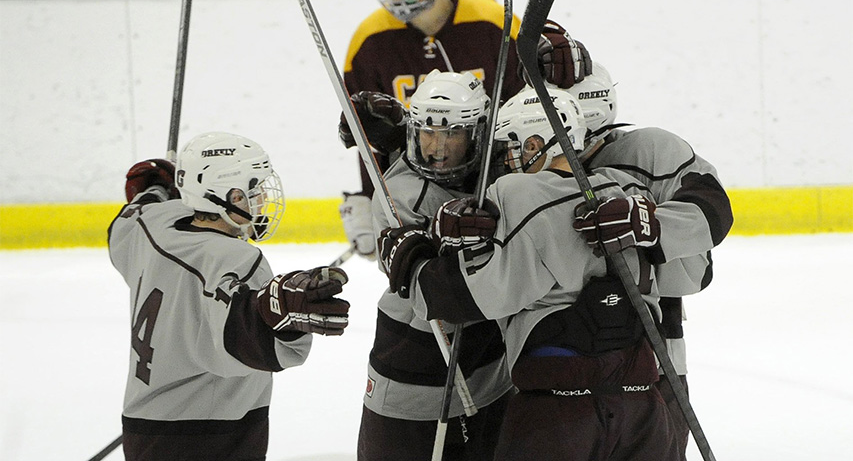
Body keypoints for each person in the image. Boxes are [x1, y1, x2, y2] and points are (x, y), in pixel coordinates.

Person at [378, 86, 680, 460]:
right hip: (645, 411)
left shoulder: (519, 192)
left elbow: (476, 298)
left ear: (534, 142)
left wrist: (415, 263)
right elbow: (690, 275)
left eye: (509, 148)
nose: (505, 162)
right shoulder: (627, 190)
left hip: (560, 414)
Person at [337, 0, 590, 260]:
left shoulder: (490, 23)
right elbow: (371, 138)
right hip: (421, 187)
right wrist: (372, 199)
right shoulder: (369, 40)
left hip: (498, 179)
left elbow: (537, 104)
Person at [108, 132, 350, 461]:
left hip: (145, 429)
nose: (263, 199)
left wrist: (154, 187)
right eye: (254, 190)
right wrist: (279, 313)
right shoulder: (237, 260)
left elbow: (125, 221)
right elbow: (245, 333)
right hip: (211, 435)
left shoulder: (150, 225)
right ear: (229, 196)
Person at [567, 62, 733, 458]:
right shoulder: (525, 161)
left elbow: (712, 214)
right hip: (552, 362)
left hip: (651, 357)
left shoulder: (650, 150)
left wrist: (651, 226)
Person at [358, 70, 515, 461]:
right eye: (427, 132)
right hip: (410, 378)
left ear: (479, 132)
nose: (436, 147)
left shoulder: (497, 173)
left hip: (491, 373)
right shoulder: (399, 196)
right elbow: (434, 292)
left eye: (453, 133)